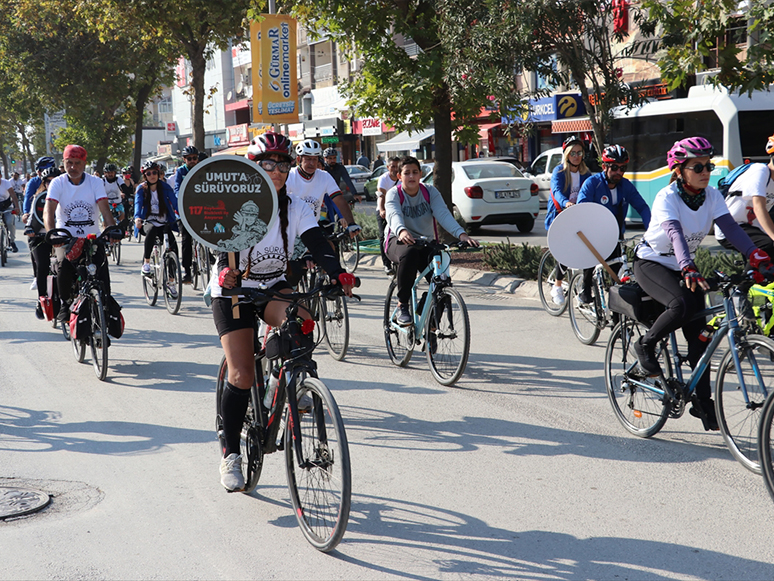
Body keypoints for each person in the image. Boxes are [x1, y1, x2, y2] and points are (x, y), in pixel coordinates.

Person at [212, 132, 356, 491]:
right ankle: (230, 454)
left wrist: (336, 271)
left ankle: (290, 379)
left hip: (273, 285)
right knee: (242, 375)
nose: (276, 170)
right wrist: (224, 272)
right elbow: (219, 253)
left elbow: (318, 243)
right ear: (254, 167)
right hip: (233, 291)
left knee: (303, 316)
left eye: (282, 164)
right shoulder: (236, 205)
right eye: (268, 164)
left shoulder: (296, 206)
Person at [634, 136, 774, 431]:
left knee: (701, 336)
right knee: (681, 304)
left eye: (708, 165)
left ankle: (702, 402)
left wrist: (755, 254)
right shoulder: (667, 197)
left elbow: (731, 228)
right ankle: (645, 345)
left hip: (687, 268)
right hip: (653, 263)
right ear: (679, 170)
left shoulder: (711, 195)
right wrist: (687, 266)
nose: (705, 171)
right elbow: (674, 233)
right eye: (697, 166)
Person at [384, 156, 479, 325]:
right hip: (397, 240)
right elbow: (393, 215)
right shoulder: (394, 194)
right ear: (399, 176)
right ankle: (402, 305)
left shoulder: (430, 192)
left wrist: (462, 235)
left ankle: (432, 329)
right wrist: (402, 230)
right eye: (407, 173)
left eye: (415, 172)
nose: (411, 176)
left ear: (421, 174)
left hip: (426, 242)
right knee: (410, 253)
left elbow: (443, 214)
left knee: (442, 283)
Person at [43, 145, 119, 323]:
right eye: (69, 163)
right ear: (64, 163)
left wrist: (112, 229)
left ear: (85, 164)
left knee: (102, 274)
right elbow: (49, 211)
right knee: (64, 266)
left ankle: (103, 308)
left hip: (91, 238)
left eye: (77, 163)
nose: (73, 167)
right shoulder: (57, 183)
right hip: (66, 238)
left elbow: (105, 211)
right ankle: (65, 302)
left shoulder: (95, 182)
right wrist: (52, 233)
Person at [576, 144, 652, 304]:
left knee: (618, 276)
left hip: (616, 234)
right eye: (614, 167)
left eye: (623, 168)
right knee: (591, 263)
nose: (619, 172)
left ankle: (618, 314)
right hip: (593, 234)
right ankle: (586, 286)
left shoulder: (626, 186)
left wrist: (652, 230)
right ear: (604, 166)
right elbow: (581, 210)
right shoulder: (592, 184)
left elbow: (643, 207)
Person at [543, 135, 592, 305]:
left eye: (579, 153)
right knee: (566, 249)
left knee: (590, 249)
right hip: (559, 213)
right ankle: (557, 286)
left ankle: (586, 289)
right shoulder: (559, 172)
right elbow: (556, 191)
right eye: (573, 153)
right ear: (566, 155)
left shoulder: (586, 173)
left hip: (579, 214)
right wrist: (566, 203)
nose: (576, 156)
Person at [714, 134, 774, 255]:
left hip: (753, 229)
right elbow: (758, 207)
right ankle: (752, 273)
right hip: (731, 227)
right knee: (766, 245)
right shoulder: (760, 171)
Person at [134, 161, 179, 284]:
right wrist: (137, 218)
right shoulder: (141, 189)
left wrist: (182, 214)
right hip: (148, 222)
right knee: (152, 230)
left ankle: (171, 281)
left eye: (154, 172)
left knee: (173, 248)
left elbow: (175, 203)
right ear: (145, 175)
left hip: (164, 222)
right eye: (149, 173)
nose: (152, 175)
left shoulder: (165, 187)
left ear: (158, 173)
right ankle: (146, 263)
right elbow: (138, 205)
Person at [25, 167, 59, 319]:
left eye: (55, 181)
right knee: (43, 266)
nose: (51, 184)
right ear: (43, 183)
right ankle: (41, 299)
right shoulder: (38, 198)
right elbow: (33, 218)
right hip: (40, 237)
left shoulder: (66, 197)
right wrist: (30, 228)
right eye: (48, 182)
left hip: (60, 238)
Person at [174, 145, 199, 284]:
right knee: (186, 239)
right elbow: (177, 188)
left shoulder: (201, 169)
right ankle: (187, 271)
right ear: (184, 159)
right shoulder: (180, 172)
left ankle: (208, 256)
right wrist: (181, 201)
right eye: (189, 159)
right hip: (184, 209)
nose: (192, 161)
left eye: (194, 158)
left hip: (199, 207)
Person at [377, 156, 401, 275]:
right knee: (383, 236)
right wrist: (382, 210)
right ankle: (386, 264)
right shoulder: (383, 178)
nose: (395, 169)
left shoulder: (402, 178)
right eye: (393, 166)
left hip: (398, 211)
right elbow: (381, 195)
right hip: (384, 210)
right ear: (388, 167)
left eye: (397, 166)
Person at [0, 170, 20, 253]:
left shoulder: (6, 183)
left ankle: (12, 241)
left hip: (7, 206)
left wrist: (17, 207)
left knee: (9, 223)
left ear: (0, 176)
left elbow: (13, 195)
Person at [101, 163, 126, 229]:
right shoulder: (102, 181)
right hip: (107, 204)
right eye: (108, 172)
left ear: (115, 173)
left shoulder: (118, 179)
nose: (110, 174)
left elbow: (124, 188)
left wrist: (127, 194)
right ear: (105, 173)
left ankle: (121, 229)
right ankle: (105, 232)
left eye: (112, 172)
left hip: (118, 203)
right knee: (105, 218)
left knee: (122, 216)